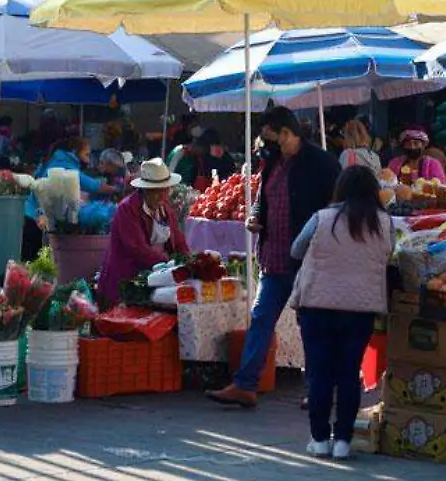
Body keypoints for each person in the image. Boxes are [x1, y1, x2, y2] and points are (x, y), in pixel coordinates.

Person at [206, 106, 341, 409]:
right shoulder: (272, 163)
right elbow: (262, 199)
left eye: (272, 140)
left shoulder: (321, 163)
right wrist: (255, 216)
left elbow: (339, 204)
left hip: (307, 259)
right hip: (273, 258)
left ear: (287, 133)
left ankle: (319, 389)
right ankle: (245, 385)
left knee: (311, 326)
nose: (267, 148)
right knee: (261, 319)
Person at [288, 165, 394, 459]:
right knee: (349, 373)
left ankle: (320, 439)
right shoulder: (383, 223)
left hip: (318, 306)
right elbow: (389, 253)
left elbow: (296, 250)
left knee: (319, 373)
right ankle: (344, 441)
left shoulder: (322, 219)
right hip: (359, 310)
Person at [96, 158, 191, 307]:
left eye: (165, 190)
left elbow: (179, 242)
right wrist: (169, 264)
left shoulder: (166, 210)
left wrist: (188, 263)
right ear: (145, 189)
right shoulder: (127, 209)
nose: (162, 196)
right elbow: (138, 249)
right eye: (156, 191)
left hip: (154, 275)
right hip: (126, 280)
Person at [22, 137, 116, 260]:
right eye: (86, 155)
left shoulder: (57, 159)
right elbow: (89, 184)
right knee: (35, 261)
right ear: (75, 151)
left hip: (32, 215)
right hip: (37, 217)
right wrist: (115, 189)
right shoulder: (64, 163)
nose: (88, 160)